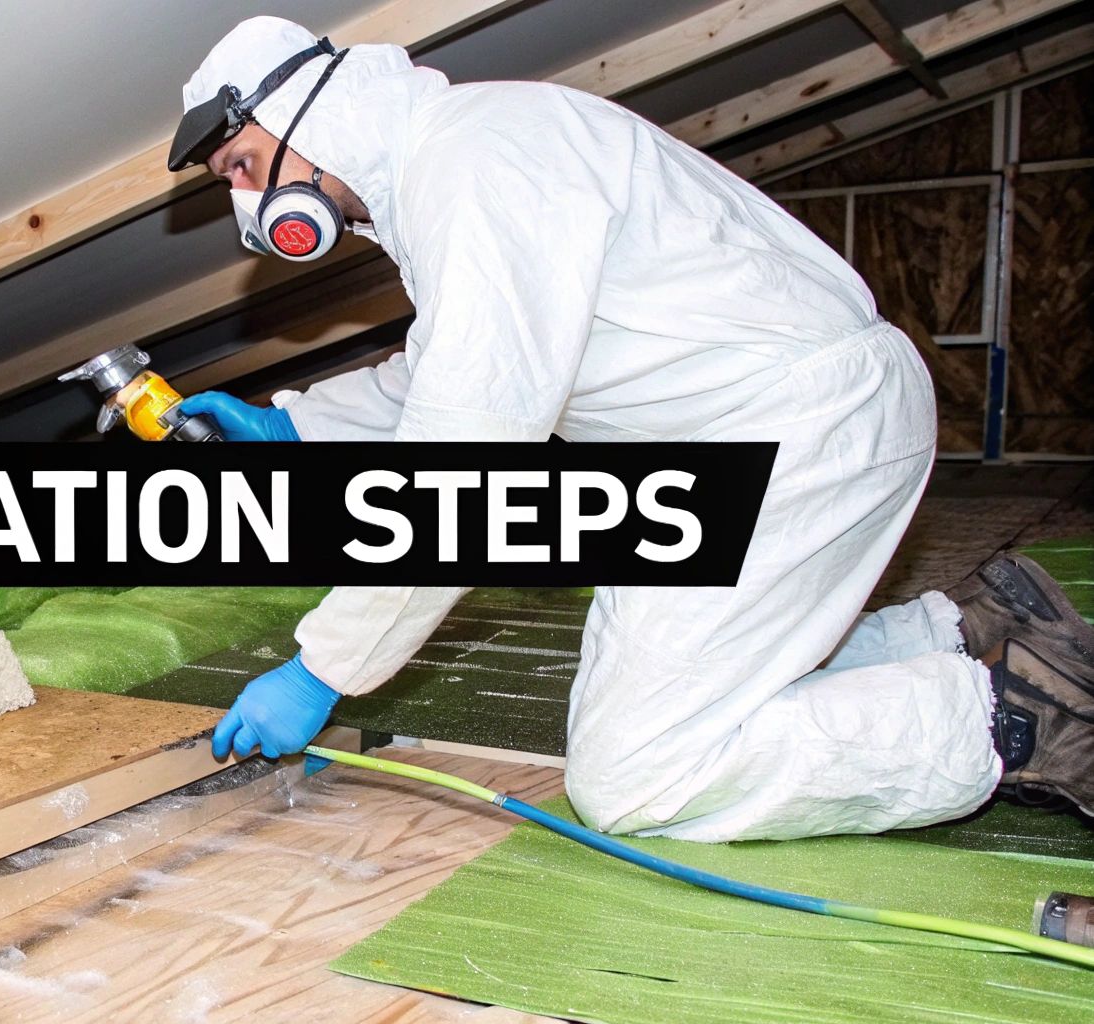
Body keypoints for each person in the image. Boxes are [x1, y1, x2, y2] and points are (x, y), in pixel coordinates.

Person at [168, 16, 1093, 841]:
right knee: (702, 676)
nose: (250, 213)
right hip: (764, 427)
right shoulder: (455, 164)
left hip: (792, 429)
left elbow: (462, 456)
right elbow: (451, 370)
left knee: (637, 775)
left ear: (307, 115)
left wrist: (323, 667)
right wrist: (293, 429)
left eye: (243, 169)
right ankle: (966, 630)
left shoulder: (477, 166)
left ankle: (1003, 715)